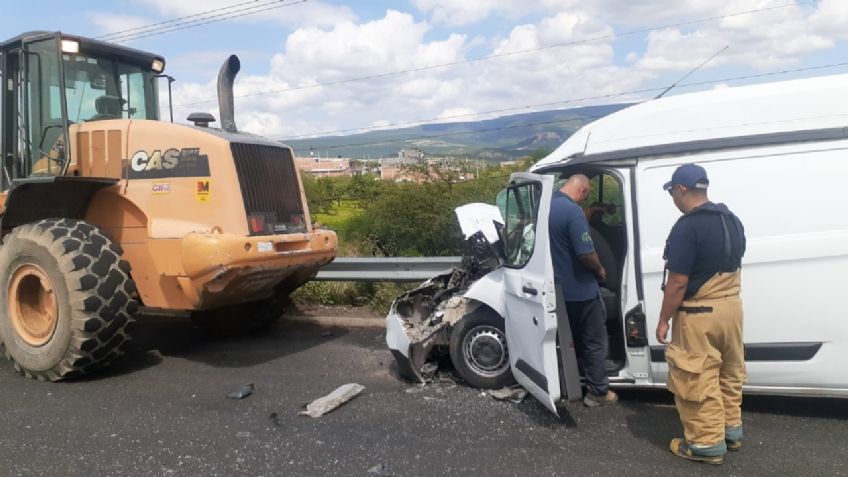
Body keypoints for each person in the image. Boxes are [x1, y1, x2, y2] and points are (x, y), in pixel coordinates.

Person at [656, 163, 747, 465]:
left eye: (672, 192)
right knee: (729, 372)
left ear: (681, 189)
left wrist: (664, 319)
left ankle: (706, 445)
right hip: (731, 308)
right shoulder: (731, 219)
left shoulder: (688, 226)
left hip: (700, 313)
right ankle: (730, 431)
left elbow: (678, 282)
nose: (672, 199)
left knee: (697, 377)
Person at [549, 174, 618, 407]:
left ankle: (564, 386)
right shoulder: (572, 211)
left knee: (565, 341)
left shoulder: (549, 206)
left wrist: (594, 211)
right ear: (583, 191)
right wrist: (600, 271)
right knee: (594, 341)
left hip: (558, 291)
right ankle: (598, 391)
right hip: (582, 291)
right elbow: (586, 254)